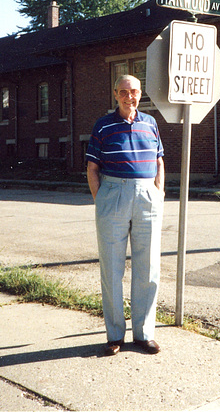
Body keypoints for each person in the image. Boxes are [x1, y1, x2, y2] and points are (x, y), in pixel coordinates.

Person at [86, 74, 165, 356]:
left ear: (140, 93)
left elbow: (159, 161)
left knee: (149, 268)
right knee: (112, 269)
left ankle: (144, 334)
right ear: (115, 94)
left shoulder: (150, 123)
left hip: (147, 196)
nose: (128, 96)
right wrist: (102, 201)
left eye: (133, 91)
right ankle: (115, 335)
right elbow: (92, 168)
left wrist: (159, 193)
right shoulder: (103, 125)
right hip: (113, 195)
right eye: (123, 92)